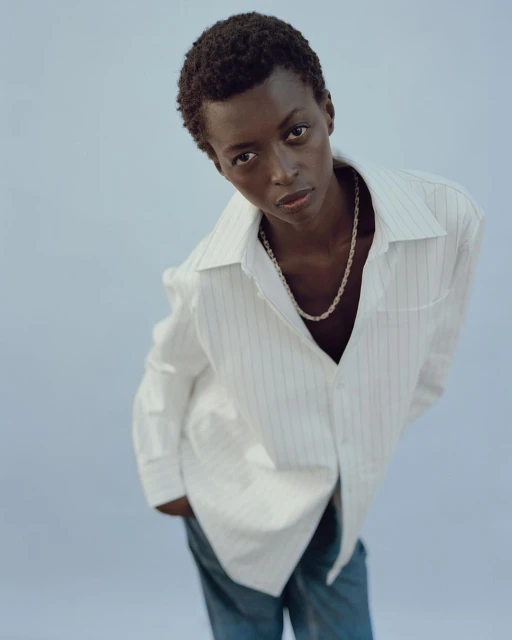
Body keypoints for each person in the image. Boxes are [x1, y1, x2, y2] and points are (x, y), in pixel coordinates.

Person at [131, 11, 485, 640]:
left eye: (296, 132)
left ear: (327, 111)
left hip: (332, 501)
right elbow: (167, 368)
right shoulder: (206, 277)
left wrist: (355, 436)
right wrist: (164, 478)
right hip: (230, 496)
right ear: (218, 166)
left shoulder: (444, 222)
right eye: (245, 155)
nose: (282, 170)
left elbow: (434, 351)